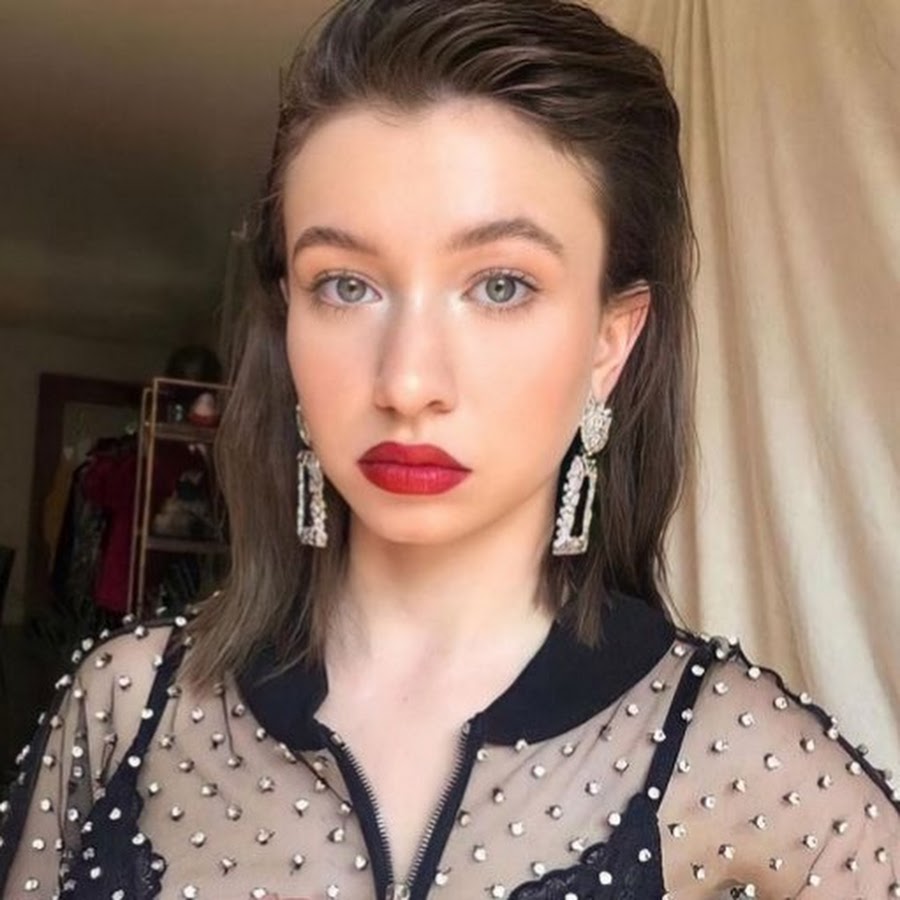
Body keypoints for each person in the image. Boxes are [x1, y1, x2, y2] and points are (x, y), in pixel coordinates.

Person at [2, 0, 898, 897]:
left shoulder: (730, 755)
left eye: (500, 285)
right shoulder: (127, 707)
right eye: (345, 285)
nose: (407, 380)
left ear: (610, 341)